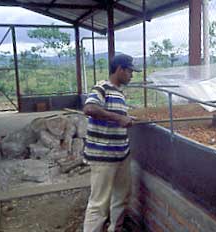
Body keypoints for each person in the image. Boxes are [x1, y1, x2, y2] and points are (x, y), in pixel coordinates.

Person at [83, 54, 141, 232]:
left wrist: (126, 118)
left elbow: (117, 117)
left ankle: (116, 227)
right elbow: (89, 108)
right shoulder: (102, 88)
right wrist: (118, 118)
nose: (132, 75)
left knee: (121, 197)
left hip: (121, 155)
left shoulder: (119, 93)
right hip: (102, 156)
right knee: (99, 204)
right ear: (120, 69)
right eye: (130, 71)